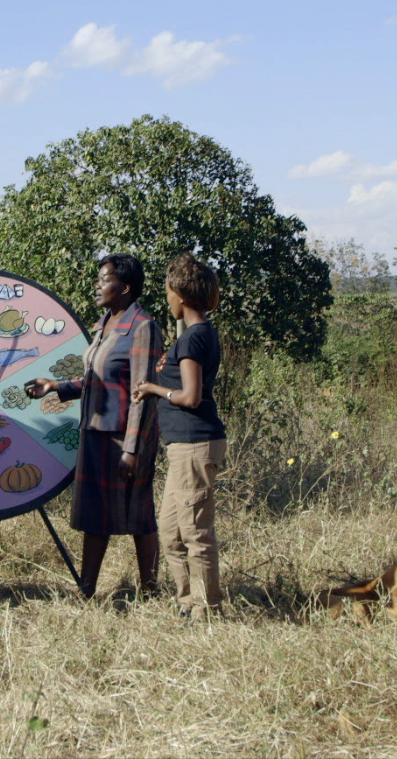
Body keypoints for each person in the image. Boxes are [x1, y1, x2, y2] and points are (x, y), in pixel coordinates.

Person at [25, 253, 163, 598]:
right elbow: (95, 378)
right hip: (95, 435)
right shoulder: (105, 323)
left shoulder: (143, 327)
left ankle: (149, 591)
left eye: (105, 279)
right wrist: (56, 386)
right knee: (94, 516)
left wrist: (132, 449)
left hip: (123, 437)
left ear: (126, 287)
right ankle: (86, 591)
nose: (98, 285)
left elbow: (143, 393)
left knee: (138, 514)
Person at [133, 252, 227, 620]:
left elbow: (191, 396)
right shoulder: (197, 334)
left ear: (181, 295)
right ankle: (187, 602)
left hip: (194, 443)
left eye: (168, 292)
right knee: (170, 531)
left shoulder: (192, 339)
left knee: (195, 532)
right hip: (183, 447)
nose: (167, 299)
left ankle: (209, 609)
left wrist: (154, 389)